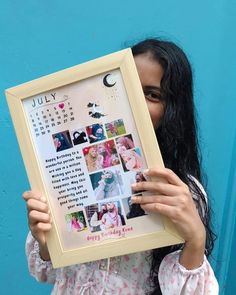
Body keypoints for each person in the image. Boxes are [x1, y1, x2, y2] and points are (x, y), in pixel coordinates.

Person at [23, 38, 218, 294]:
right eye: (127, 88)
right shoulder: (72, 170)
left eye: (152, 94)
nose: (135, 102)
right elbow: (48, 270)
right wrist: (44, 237)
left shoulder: (181, 193)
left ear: (172, 109)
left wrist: (195, 239)